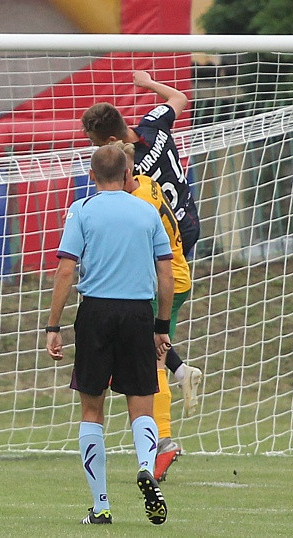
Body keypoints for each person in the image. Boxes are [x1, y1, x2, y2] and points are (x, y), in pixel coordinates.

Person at [45, 145, 174, 526]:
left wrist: (53, 326)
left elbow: (66, 270)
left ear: (91, 173)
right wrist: (161, 325)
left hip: (96, 311)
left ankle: (101, 505)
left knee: (91, 409)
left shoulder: (82, 210)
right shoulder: (146, 211)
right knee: (142, 402)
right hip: (137, 312)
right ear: (126, 171)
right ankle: (147, 468)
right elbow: (165, 275)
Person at [81, 70, 202, 414]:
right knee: (146, 321)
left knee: (143, 327)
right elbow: (179, 98)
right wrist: (149, 84)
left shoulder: (129, 175)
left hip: (160, 239)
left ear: (106, 143)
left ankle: (160, 426)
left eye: (93, 144)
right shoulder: (154, 126)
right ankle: (180, 370)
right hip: (187, 225)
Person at [113, 140, 203, 482]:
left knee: (152, 361)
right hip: (174, 276)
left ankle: (163, 442)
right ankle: (181, 374)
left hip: (165, 283)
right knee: (152, 356)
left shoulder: (137, 203)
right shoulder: (147, 183)